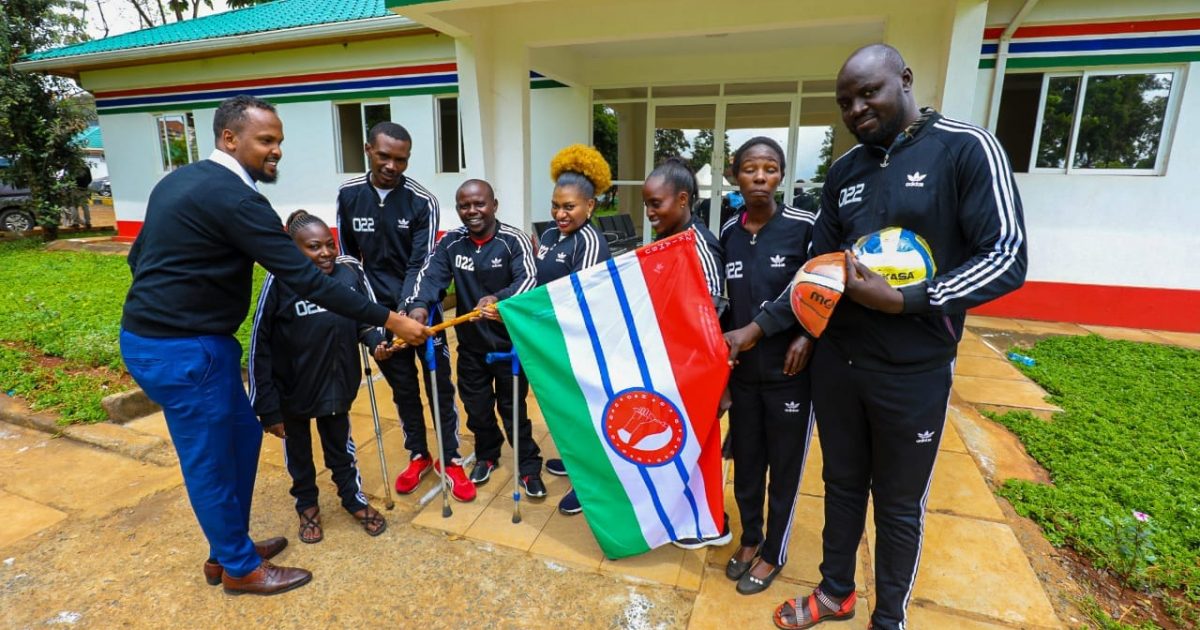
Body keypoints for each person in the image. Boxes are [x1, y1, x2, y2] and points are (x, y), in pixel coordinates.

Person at [745, 45, 1027, 629]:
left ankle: (889, 618)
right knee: (841, 485)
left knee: (898, 505)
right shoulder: (844, 171)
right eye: (845, 101)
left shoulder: (966, 149)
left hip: (913, 370)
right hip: (840, 365)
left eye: (868, 92)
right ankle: (835, 593)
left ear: (905, 79)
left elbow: (1006, 257)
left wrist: (905, 299)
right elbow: (818, 267)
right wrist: (782, 329)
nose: (856, 108)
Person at [119, 95, 428, 596]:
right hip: (181, 349)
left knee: (242, 440)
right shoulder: (238, 199)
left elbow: (139, 259)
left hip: (196, 343)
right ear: (229, 139)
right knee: (211, 460)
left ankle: (228, 549)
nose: (276, 150)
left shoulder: (179, 181)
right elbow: (306, 280)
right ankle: (239, 568)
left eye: (279, 141)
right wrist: (391, 319)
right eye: (265, 140)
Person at [336, 122, 473, 502]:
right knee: (403, 390)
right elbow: (349, 261)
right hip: (378, 315)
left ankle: (450, 458)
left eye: (401, 159)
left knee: (438, 386)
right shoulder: (348, 195)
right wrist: (373, 320)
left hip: (421, 311)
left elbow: (422, 264)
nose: (392, 166)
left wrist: (411, 311)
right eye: (384, 156)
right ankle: (419, 454)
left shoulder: (421, 201)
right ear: (368, 150)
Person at [250, 210, 394, 543]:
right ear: (294, 249)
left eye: (330, 244)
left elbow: (365, 319)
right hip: (293, 389)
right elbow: (260, 344)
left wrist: (376, 342)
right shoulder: (279, 279)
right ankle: (307, 505)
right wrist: (267, 407)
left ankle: (353, 499)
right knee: (299, 452)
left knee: (340, 448)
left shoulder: (349, 273)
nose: (326, 253)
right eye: (314, 247)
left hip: (336, 384)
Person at [718, 137, 817, 596]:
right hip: (744, 374)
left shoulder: (804, 227)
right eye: (750, 169)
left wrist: (808, 335)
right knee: (748, 463)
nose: (760, 177)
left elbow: (823, 289)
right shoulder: (729, 233)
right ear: (735, 176)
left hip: (789, 375)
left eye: (770, 169)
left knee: (785, 468)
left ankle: (774, 551)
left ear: (781, 175)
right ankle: (750, 538)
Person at [406, 180, 546, 498]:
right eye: (464, 206)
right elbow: (430, 276)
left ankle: (528, 466)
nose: (472, 211)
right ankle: (487, 454)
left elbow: (529, 280)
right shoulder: (451, 242)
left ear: (494, 205)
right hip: (471, 348)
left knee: (513, 410)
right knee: (477, 409)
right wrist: (418, 306)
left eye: (479, 204)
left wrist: (499, 299)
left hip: (509, 349)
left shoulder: (513, 240)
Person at [641, 156, 732, 550]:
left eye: (655, 204)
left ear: (682, 200)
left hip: (695, 368)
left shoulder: (699, 245)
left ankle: (711, 523)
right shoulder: (668, 239)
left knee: (699, 447)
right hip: (674, 363)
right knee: (681, 445)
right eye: (646, 204)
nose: (649, 212)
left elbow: (713, 310)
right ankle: (686, 514)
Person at [535, 144, 613, 516]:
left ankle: (590, 483)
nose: (560, 214)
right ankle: (575, 462)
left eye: (569, 207)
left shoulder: (590, 241)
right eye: (555, 206)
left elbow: (583, 301)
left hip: (582, 344)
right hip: (554, 341)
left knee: (585, 413)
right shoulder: (551, 236)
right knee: (566, 410)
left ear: (590, 206)